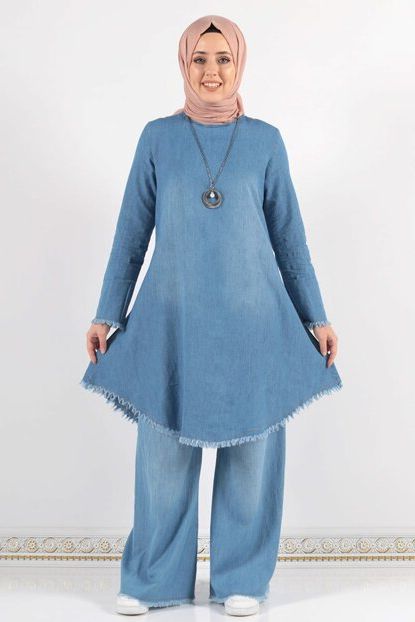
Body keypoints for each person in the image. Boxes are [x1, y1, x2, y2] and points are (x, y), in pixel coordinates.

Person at [80, 15, 343, 616]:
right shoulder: (157, 138)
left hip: (255, 326)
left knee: (252, 459)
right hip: (171, 326)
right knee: (163, 458)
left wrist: (316, 317)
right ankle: (153, 580)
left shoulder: (266, 141)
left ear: (239, 63)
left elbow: (289, 237)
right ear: (184, 64)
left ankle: (242, 579)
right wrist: (106, 312)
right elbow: (130, 233)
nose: (212, 72)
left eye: (223, 59)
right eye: (200, 59)